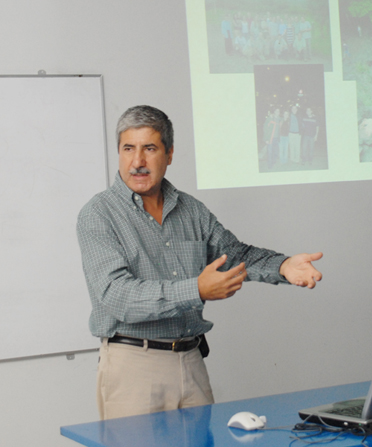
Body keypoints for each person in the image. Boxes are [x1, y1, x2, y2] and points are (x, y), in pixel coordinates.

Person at [76, 105, 322, 420]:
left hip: (190, 360)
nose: (137, 162)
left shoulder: (191, 210)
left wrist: (283, 266)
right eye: (128, 149)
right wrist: (197, 289)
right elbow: (118, 297)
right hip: (133, 364)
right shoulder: (98, 214)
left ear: (169, 153)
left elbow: (235, 253)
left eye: (149, 149)